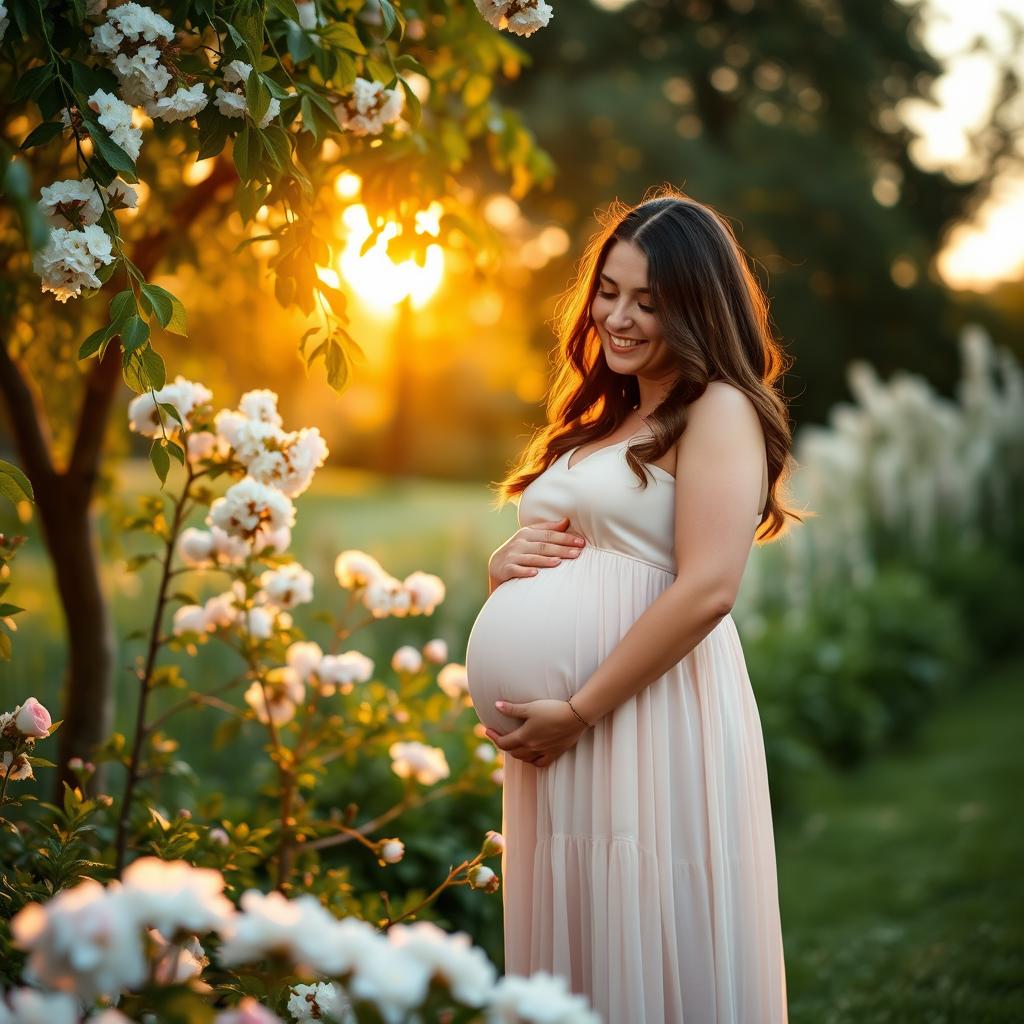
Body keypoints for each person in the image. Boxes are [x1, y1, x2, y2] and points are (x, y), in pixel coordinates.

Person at [464, 186, 799, 1023]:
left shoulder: (717, 408)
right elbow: (586, 549)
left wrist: (580, 708)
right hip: (568, 733)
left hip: (640, 716)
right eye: (609, 291)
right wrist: (506, 566)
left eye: (648, 301)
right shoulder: (608, 414)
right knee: (579, 933)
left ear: (696, 307)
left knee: (645, 919)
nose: (618, 316)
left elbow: (709, 588)